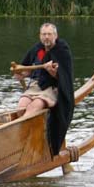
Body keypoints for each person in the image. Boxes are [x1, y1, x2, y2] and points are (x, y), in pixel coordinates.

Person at [15, 22, 76, 154]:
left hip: (53, 87)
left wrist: (52, 72)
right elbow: (27, 69)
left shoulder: (62, 50)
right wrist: (20, 74)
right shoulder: (37, 49)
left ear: (55, 36)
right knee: (21, 107)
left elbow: (63, 77)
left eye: (49, 34)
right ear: (40, 36)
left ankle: (22, 143)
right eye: (44, 34)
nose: (46, 37)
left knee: (33, 108)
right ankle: (31, 138)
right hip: (36, 85)